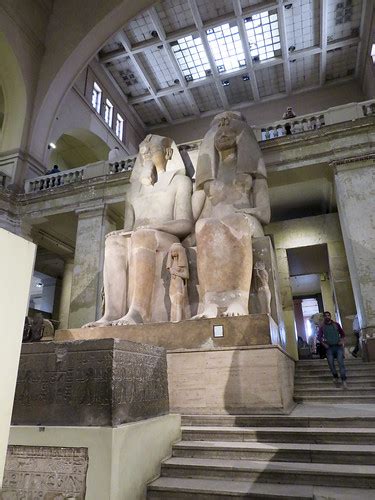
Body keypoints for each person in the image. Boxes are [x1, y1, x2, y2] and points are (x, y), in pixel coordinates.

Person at [317, 311, 347, 388]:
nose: (327, 317)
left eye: (328, 315)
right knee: (331, 364)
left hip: (338, 347)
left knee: (341, 364)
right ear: (324, 317)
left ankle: (344, 380)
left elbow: (343, 334)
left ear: (330, 316)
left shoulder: (336, 325)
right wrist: (324, 344)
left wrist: (342, 341)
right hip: (329, 348)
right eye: (326, 316)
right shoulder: (322, 327)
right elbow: (319, 337)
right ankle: (335, 376)